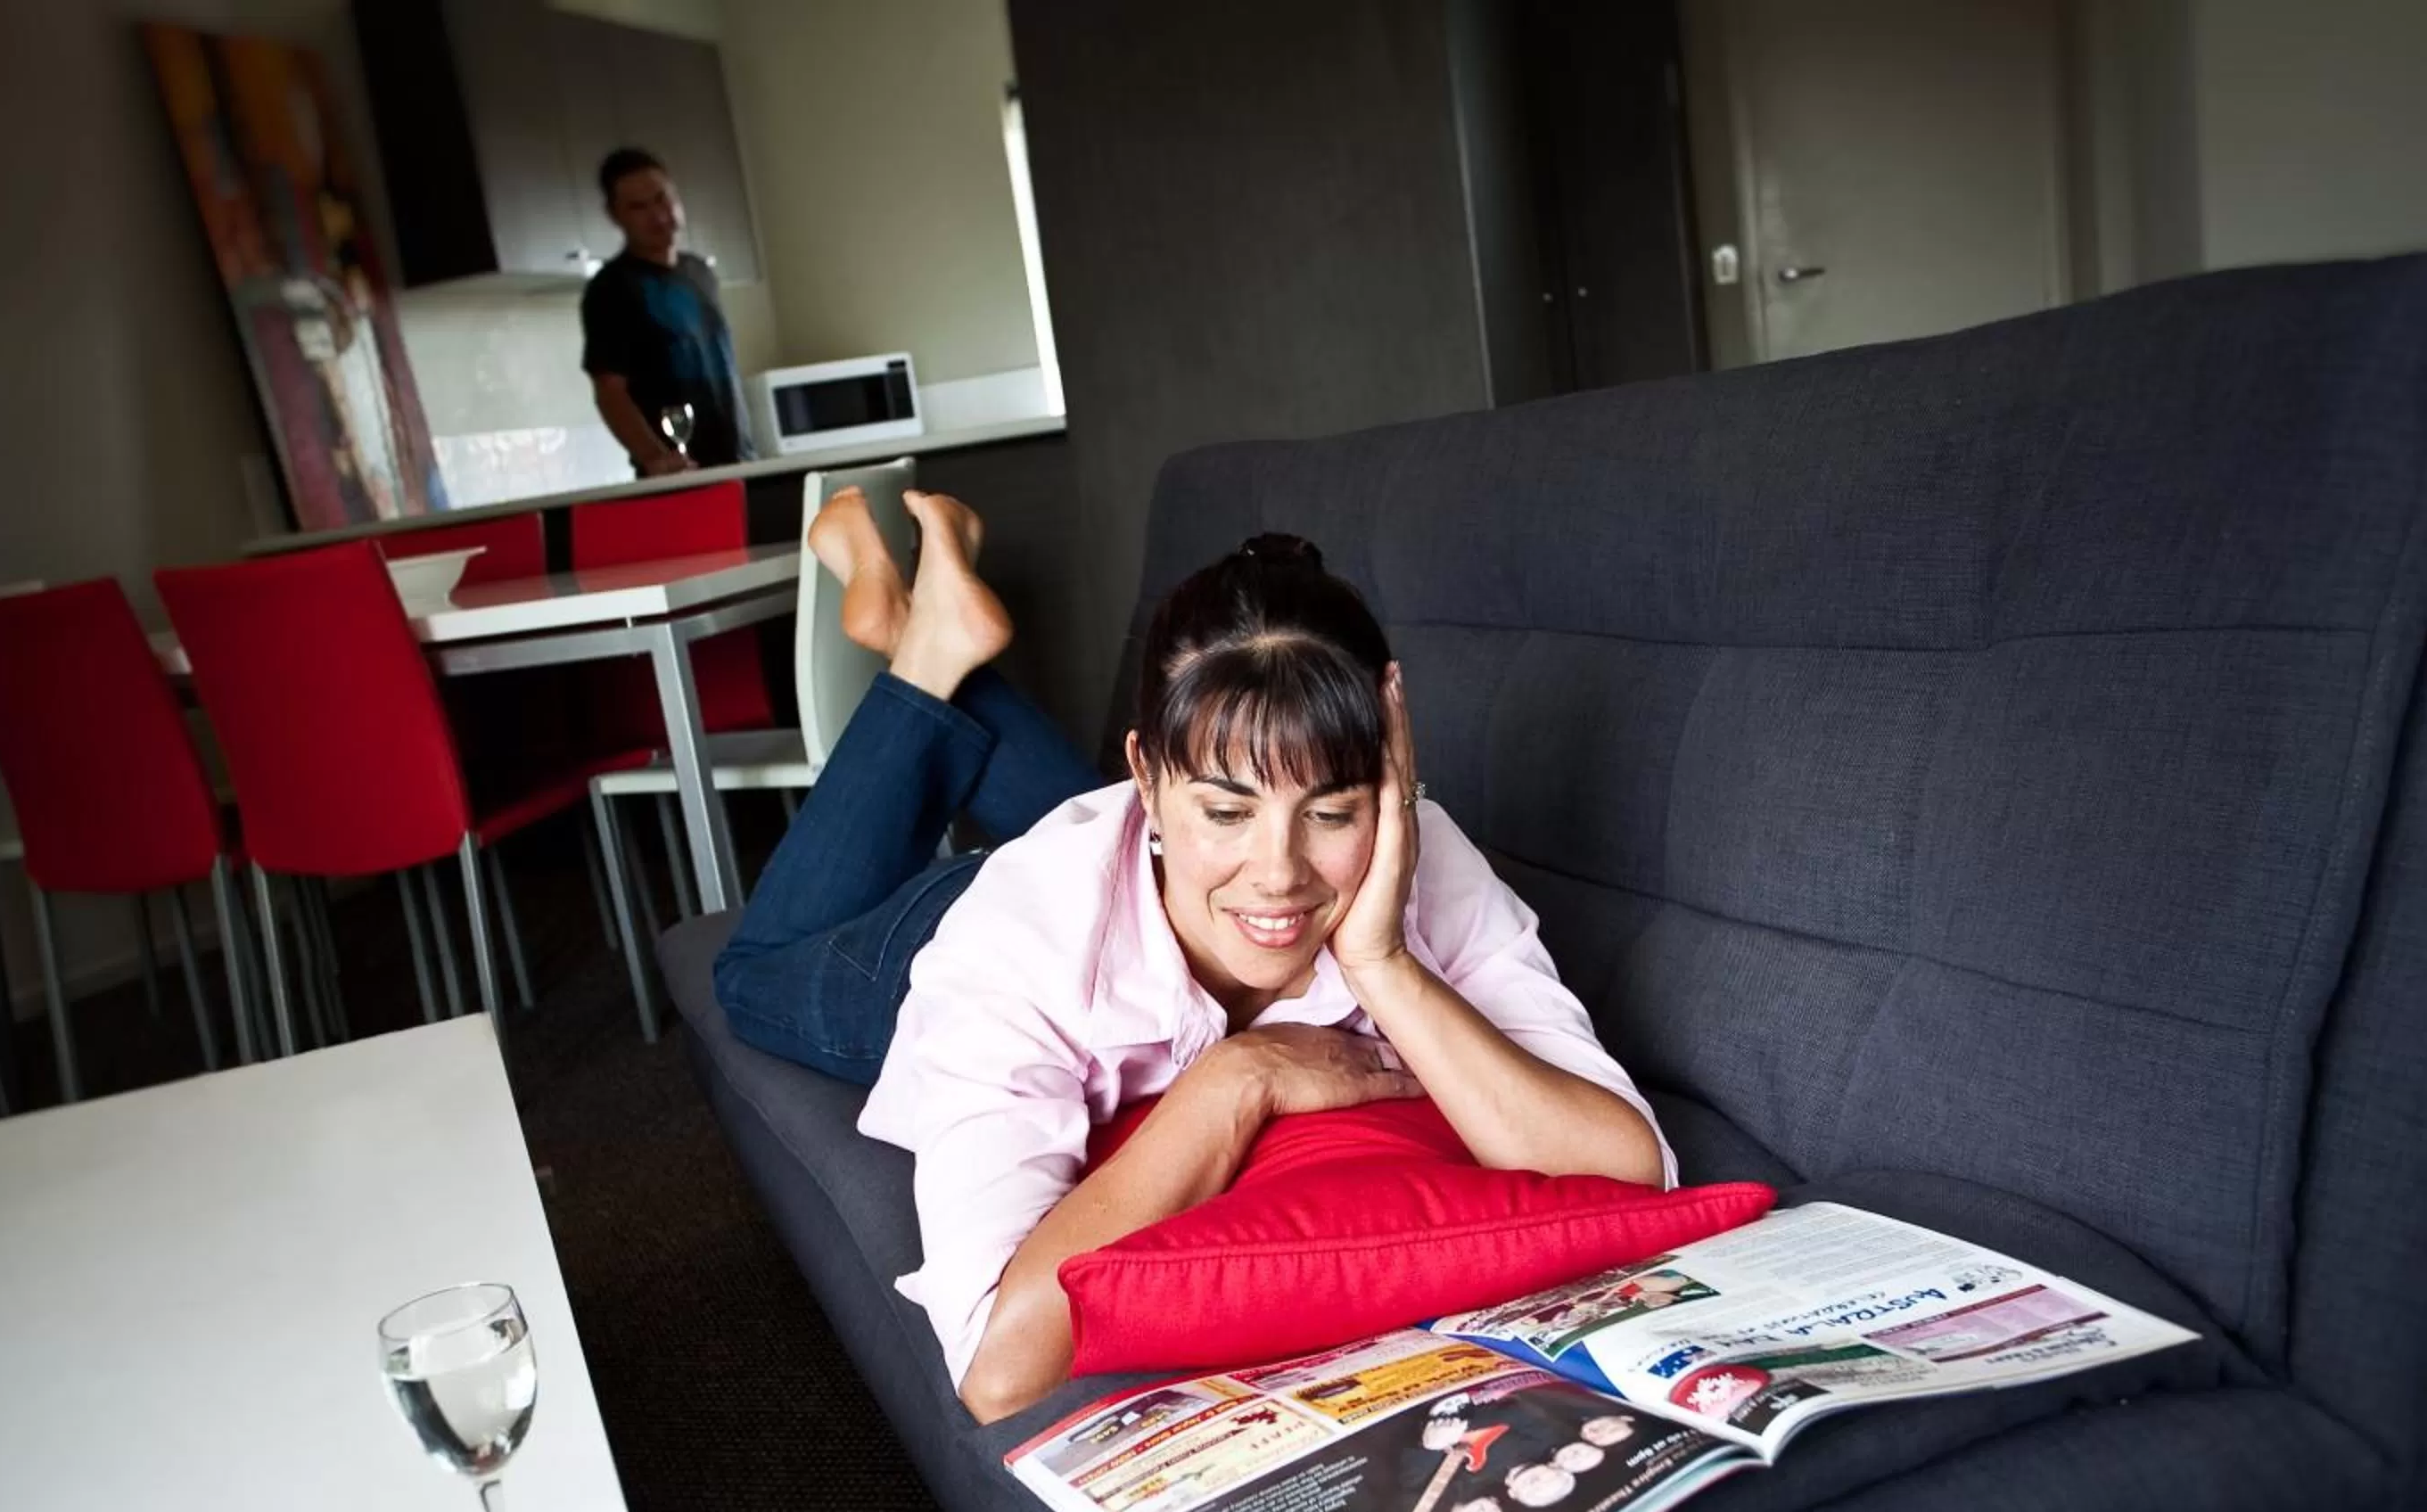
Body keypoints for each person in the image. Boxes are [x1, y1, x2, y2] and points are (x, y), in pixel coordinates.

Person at [712, 491, 1677, 1422]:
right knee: (749, 971)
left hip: (1150, 862)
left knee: (1229, 825)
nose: (1281, 873)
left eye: (1332, 811)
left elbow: (1629, 1165)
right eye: (1226, 810)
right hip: (941, 930)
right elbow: (997, 1366)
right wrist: (1236, 1078)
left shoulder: (1413, 852)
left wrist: (1383, 961)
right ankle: (924, 659)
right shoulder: (1015, 948)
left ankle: (934, 635)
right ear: (1144, 777)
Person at [580, 146, 753, 478]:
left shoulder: (700, 272)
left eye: (662, 199)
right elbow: (610, 391)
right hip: (678, 474)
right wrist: (656, 458)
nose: (658, 216)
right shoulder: (612, 288)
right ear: (615, 215)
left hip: (741, 462)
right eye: (638, 207)